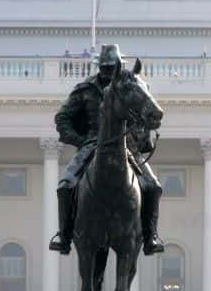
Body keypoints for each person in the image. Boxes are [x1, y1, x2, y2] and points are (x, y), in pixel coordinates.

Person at [49, 44, 165, 256]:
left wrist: (141, 137)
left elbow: (143, 115)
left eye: (112, 69)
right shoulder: (85, 89)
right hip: (92, 144)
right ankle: (64, 236)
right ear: (100, 68)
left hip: (126, 146)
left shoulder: (132, 86)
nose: (109, 73)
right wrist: (80, 140)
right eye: (105, 68)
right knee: (65, 185)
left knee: (154, 187)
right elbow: (62, 118)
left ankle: (150, 235)